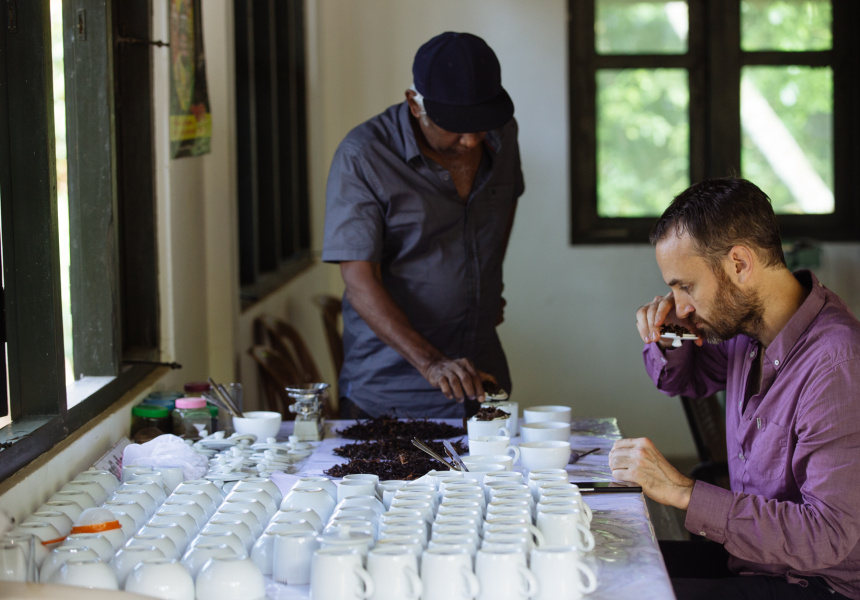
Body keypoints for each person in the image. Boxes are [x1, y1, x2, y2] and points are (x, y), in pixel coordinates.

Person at [609, 178, 860, 599]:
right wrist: (670, 333)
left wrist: (683, 492)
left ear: (740, 264)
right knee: (606, 560)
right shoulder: (747, 332)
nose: (679, 304)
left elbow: (827, 535)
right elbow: (684, 379)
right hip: (750, 559)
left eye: (686, 286)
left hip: (815, 584)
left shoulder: (838, 364)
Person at [322, 32, 524, 419]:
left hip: (482, 375)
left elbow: (506, 199)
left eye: (480, 124)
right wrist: (431, 362)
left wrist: (489, 278)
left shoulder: (502, 132)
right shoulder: (363, 155)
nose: (471, 140)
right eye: (456, 126)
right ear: (416, 104)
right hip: (391, 389)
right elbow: (358, 279)